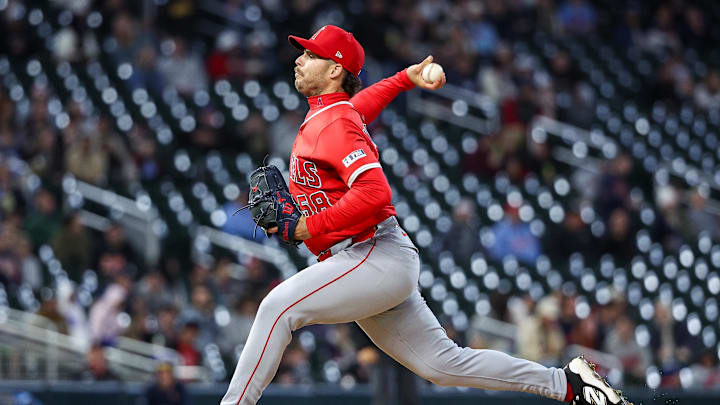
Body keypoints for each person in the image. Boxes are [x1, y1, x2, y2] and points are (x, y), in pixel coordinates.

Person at [221, 25, 629, 405]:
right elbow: (361, 104)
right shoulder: (331, 115)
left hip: (370, 254)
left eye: (310, 55)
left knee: (277, 308)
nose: (299, 60)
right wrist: (404, 79)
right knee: (444, 365)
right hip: (368, 261)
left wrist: (307, 225)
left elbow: (375, 193)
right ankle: (569, 385)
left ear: (334, 70)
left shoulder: (336, 124)